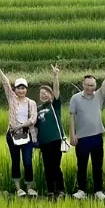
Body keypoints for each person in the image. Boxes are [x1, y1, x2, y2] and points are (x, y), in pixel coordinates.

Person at [67, 51, 105, 200]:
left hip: (97, 137)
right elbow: (71, 116)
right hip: (81, 138)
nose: (90, 87)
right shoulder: (75, 98)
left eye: (93, 85)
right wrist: (72, 134)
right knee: (81, 165)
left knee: (97, 166)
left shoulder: (99, 95)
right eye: (88, 85)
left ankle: (98, 191)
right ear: (83, 84)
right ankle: (81, 190)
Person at [0, 60, 38, 197]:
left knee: (28, 161)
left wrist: (21, 125)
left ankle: (29, 187)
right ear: (15, 89)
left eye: (23, 87)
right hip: (12, 135)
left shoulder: (32, 103)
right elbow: (6, 83)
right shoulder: (12, 99)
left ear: (27, 89)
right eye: (18, 87)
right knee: (16, 161)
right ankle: (19, 189)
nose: (21, 90)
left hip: (27, 135)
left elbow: (33, 119)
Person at [34, 64, 67, 199]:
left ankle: (61, 190)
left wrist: (55, 76)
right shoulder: (37, 108)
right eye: (41, 94)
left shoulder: (54, 105)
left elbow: (57, 90)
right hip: (44, 142)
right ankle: (50, 191)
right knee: (47, 167)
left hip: (56, 140)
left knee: (56, 166)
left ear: (51, 94)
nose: (43, 95)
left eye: (46, 93)